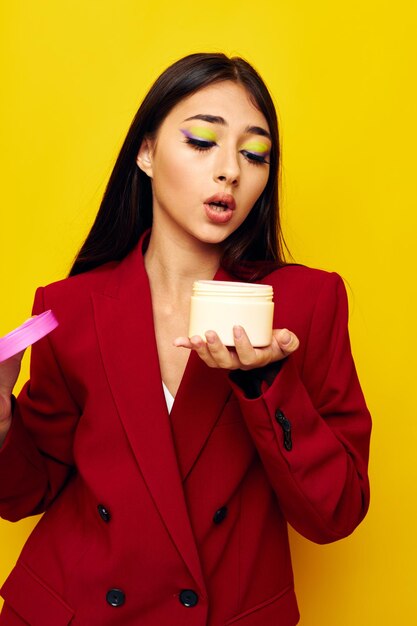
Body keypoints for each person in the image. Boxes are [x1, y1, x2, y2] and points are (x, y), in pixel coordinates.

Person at [0, 53, 371, 626]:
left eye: (255, 154)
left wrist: (266, 383)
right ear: (146, 153)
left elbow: (337, 513)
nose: (231, 171)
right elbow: (26, 492)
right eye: (202, 141)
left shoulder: (306, 305)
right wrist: (1, 424)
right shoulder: (68, 308)